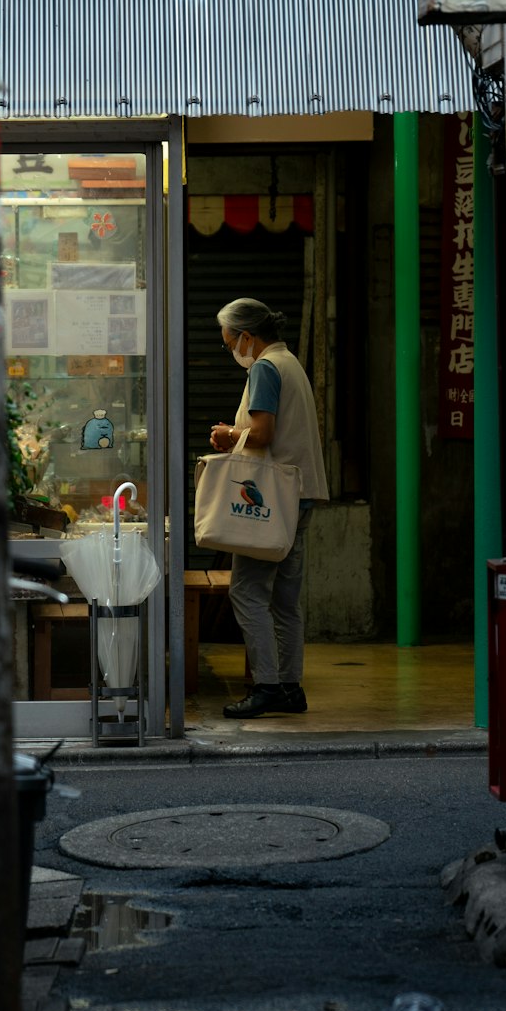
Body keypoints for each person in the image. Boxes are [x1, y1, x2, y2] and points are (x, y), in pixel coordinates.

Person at [209, 298, 329, 718]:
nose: (232, 352)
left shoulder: (264, 367)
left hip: (274, 499)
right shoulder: (289, 362)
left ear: (247, 336)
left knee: (246, 590)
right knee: (286, 599)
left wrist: (229, 434)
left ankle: (267, 686)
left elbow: (260, 433)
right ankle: (291, 689)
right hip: (300, 494)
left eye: (230, 344)